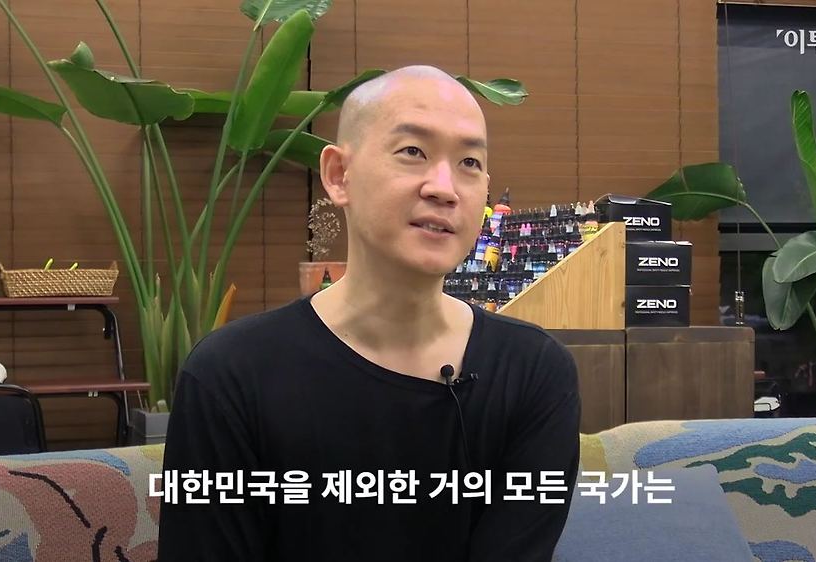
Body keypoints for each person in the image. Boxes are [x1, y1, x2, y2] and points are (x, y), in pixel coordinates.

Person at [157, 65, 581, 562]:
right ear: (340, 175)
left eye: (469, 162)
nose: (444, 187)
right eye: (413, 152)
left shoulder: (534, 371)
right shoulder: (231, 374)